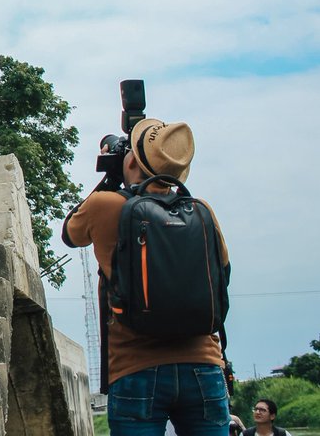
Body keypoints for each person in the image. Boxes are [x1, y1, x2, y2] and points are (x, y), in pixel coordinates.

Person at [62, 118, 231, 435]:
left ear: (131, 159)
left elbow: (70, 233)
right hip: (205, 364)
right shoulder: (202, 209)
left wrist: (111, 179)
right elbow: (223, 274)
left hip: (135, 366)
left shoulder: (104, 205)